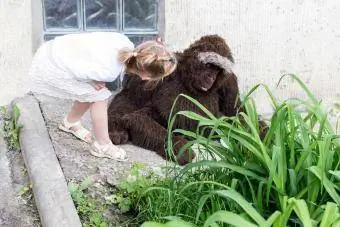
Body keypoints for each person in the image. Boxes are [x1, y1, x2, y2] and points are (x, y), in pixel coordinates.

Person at [29, 32, 177, 161]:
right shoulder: (109, 71)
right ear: (145, 76)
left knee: (90, 91)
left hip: (57, 49)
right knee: (99, 96)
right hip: (54, 65)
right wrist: (90, 79)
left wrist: (92, 78)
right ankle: (102, 144)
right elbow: (80, 70)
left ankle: (70, 122)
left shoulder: (124, 42)